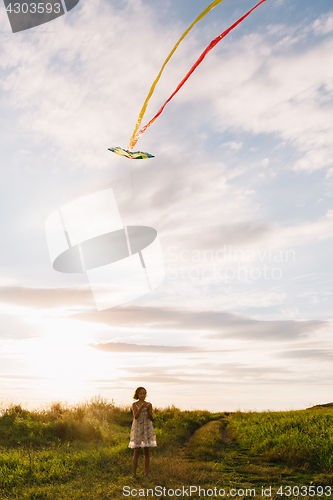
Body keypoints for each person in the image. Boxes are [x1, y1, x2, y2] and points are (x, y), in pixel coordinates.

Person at [129, 386, 157, 480]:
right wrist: (141, 408)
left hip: (147, 428)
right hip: (138, 428)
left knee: (147, 451)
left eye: (144, 393)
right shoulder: (135, 404)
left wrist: (149, 410)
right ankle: (134, 474)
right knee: (136, 451)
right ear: (137, 394)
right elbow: (136, 417)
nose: (143, 395)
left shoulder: (149, 404)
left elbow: (151, 418)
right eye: (141, 393)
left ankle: (146, 474)